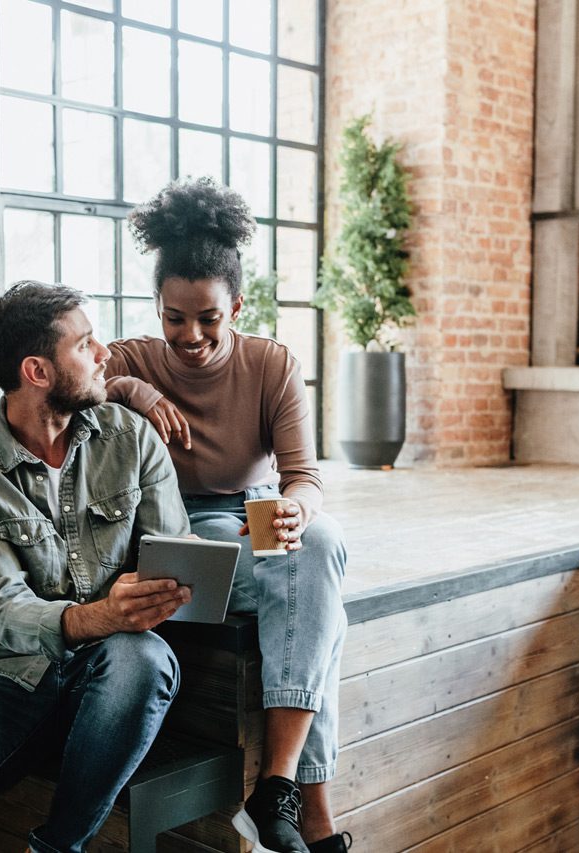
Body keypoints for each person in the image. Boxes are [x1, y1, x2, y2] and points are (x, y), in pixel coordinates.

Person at [0, 281, 195, 853]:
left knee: (145, 660)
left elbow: (175, 551)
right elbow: (3, 608)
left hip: (117, 661)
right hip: (12, 669)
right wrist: (98, 614)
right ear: (37, 371)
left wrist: (156, 591)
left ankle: (56, 847)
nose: (104, 353)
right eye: (84, 345)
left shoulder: (130, 437)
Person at [105, 178, 351, 853]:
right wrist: (138, 390)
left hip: (258, 507)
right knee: (317, 608)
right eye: (174, 317)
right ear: (157, 307)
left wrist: (296, 512)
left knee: (319, 547)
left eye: (208, 317)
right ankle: (306, 809)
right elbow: (86, 379)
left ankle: (273, 786)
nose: (190, 335)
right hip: (187, 520)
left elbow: (303, 476)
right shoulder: (134, 357)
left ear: (235, 306)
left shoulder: (271, 363)